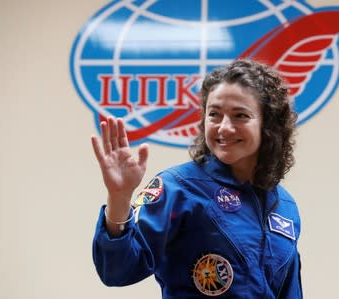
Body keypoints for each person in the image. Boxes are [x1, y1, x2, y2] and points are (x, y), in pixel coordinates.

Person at [91, 59, 303, 298]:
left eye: (240, 115)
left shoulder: (284, 206)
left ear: (268, 125)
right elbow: (117, 270)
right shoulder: (178, 188)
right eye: (214, 114)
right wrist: (119, 198)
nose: (224, 127)